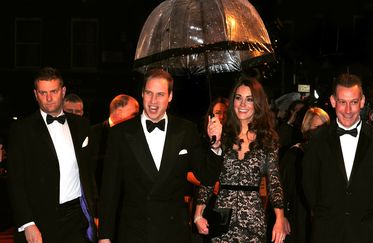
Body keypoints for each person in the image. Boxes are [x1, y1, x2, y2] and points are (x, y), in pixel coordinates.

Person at [97, 68, 223, 243]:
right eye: (149, 93)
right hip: (134, 233)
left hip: (174, 233)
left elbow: (207, 176)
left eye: (160, 94)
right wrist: (104, 236)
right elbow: (109, 190)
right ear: (142, 93)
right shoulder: (120, 133)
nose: (153, 101)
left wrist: (215, 145)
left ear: (170, 96)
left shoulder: (186, 130)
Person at [7, 67, 97, 243]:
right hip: (40, 218)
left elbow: (88, 173)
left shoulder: (82, 125)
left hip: (76, 217)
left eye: (53, 91)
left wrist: (94, 213)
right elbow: (16, 182)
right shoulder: (22, 130)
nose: (49, 98)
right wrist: (28, 223)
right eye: (43, 93)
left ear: (63, 91)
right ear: (36, 94)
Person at [194, 76, 287, 243]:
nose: (242, 104)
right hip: (221, 218)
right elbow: (209, 177)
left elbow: (274, 182)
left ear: (257, 104)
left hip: (253, 220)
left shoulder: (267, 138)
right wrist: (198, 214)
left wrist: (280, 218)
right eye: (238, 98)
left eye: (249, 99)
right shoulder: (222, 135)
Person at [302, 73, 373, 243]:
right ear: (333, 101)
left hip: (367, 234)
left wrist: (368, 217)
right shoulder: (316, 140)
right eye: (343, 102)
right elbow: (309, 186)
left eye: (354, 102)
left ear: (363, 101)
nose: (348, 110)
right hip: (327, 232)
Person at [276, 107, 330, 243]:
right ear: (307, 128)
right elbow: (281, 189)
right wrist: (283, 217)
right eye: (317, 127)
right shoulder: (295, 154)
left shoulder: (331, 155)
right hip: (300, 217)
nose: (321, 131)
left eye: (325, 127)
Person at [91, 94, 139, 193]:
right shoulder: (92, 134)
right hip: (100, 195)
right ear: (119, 111)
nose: (137, 119)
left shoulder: (138, 136)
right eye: (134, 114)